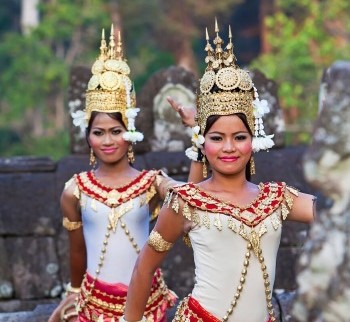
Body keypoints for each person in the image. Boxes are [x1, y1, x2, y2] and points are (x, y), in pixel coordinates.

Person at [121, 20, 316, 322]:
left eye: (239, 137)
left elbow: (331, 211)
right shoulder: (184, 202)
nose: (229, 148)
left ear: (254, 139)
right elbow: (144, 267)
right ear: (202, 141)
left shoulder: (276, 199)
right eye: (216, 138)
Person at [48, 25, 197, 322]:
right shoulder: (74, 190)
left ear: (129, 133)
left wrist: (197, 134)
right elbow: (77, 251)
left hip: (147, 305)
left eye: (116, 131)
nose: (107, 140)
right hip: (93, 306)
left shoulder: (151, 183)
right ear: (87, 137)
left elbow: (191, 198)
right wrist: (73, 293)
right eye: (99, 132)